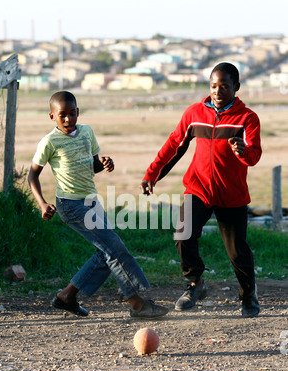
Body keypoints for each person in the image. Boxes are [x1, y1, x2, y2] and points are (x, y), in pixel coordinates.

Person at [28, 90, 168, 319]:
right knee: (113, 247)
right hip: (71, 205)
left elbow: (93, 165)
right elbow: (32, 176)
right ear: (51, 116)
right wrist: (42, 203)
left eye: (72, 114)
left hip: (92, 202)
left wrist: (104, 163)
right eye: (62, 115)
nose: (68, 120)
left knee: (105, 253)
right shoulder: (49, 142)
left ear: (78, 113)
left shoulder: (87, 132)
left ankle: (66, 297)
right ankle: (137, 303)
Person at [140, 62, 262, 318]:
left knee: (237, 251)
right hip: (199, 190)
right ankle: (196, 283)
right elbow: (174, 145)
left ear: (236, 88)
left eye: (225, 87)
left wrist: (242, 151)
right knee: (183, 236)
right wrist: (152, 174)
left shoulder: (247, 118)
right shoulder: (195, 113)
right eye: (214, 86)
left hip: (231, 196)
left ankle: (248, 296)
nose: (218, 91)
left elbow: (253, 155)